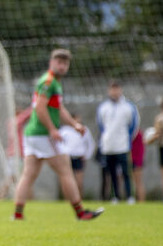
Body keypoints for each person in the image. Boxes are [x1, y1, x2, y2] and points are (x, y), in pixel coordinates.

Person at [12, 49, 103, 221]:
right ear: (51, 63)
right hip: (43, 134)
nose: (62, 66)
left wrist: (74, 125)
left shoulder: (54, 82)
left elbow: (58, 108)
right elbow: (40, 107)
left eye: (65, 63)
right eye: (59, 62)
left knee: (29, 174)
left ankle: (17, 214)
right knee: (65, 170)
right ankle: (80, 213)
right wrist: (52, 129)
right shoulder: (48, 81)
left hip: (32, 134)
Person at [96, 81, 140, 204]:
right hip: (108, 146)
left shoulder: (128, 106)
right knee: (112, 173)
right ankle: (115, 196)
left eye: (116, 89)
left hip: (123, 145)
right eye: (112, 89)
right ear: (109, 91)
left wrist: (127, 139)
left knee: (126, 172)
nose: (114, 92)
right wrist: (107, 138)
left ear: (120, 90)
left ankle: (129, 196)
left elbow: (134, 125)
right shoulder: (103, 107)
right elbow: (101, 125)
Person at [58, 112, 95, 194]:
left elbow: (90, 144)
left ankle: (79, 198)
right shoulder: (64, 130)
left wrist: (86, 156)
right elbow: (59, 144)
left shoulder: (84, 130)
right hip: (68, 158)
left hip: (79, 158)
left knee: (79, 182)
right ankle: (67, 199)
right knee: (67, 180)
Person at [131, 129, 145, 202]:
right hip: (135, 160)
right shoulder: (138, 134)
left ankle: (141, 201)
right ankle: (137, 200)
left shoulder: (137, 134)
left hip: (136, 161)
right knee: (135, 183)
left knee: (138, 182)